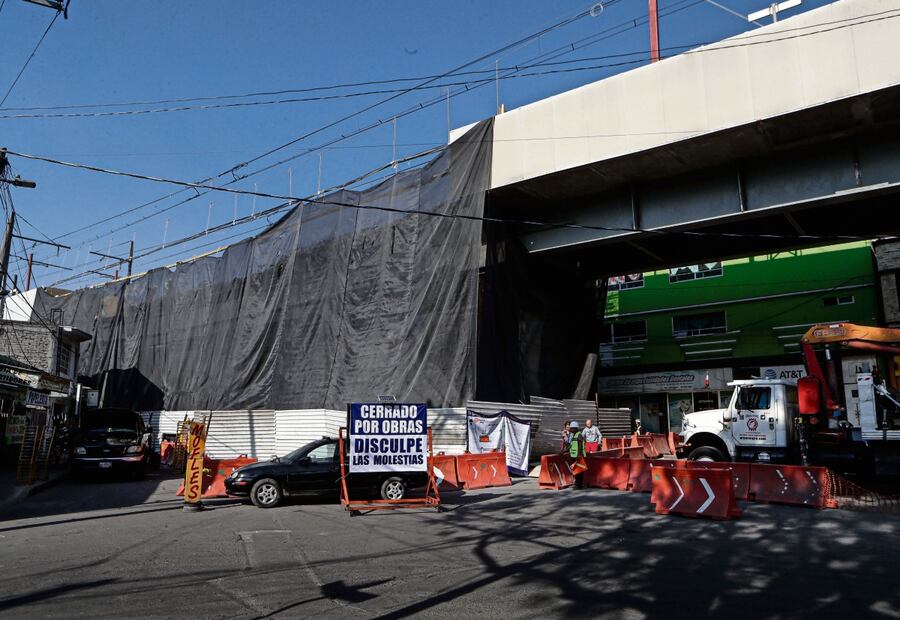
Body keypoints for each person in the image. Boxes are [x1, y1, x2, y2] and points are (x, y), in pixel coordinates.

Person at [568, 421, 586, 488]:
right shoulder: (574, 435)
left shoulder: (579, 435)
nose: (571, 429)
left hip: (577, 456)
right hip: (573, 455)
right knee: (575, 470)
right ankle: (577, 483)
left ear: (575, 428)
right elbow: (571, 445)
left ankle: (579, 484)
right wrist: (564, 451)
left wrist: (578, 455)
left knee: (579, 470)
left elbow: (580, 445)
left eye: (572, 428)